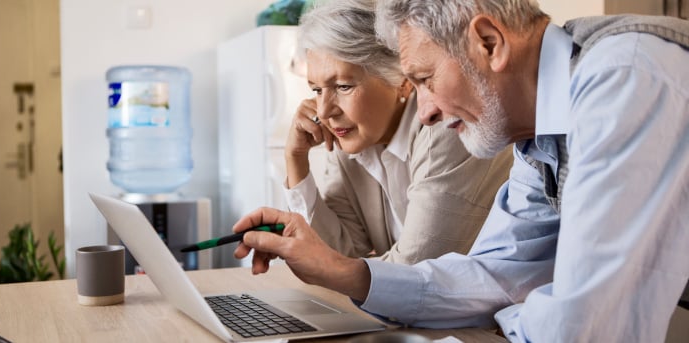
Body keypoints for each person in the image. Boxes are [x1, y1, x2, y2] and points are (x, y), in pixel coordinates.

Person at [233, 0, 689, 342]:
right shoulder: (537, 132)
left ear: (489, 43)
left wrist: (509, 316)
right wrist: (346, 273)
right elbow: (495, 275)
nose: (425, 111)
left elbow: (586, 324)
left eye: (426, 80)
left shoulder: (624, 78)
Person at [283, 0, 512, 264]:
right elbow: (334, 256)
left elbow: (415, 269)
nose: (324, 112)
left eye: (343, 86)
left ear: (402, 80)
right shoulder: (352, 139)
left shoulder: (444, 126)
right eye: (316, 90)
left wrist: (333, 267)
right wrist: (296, 160)